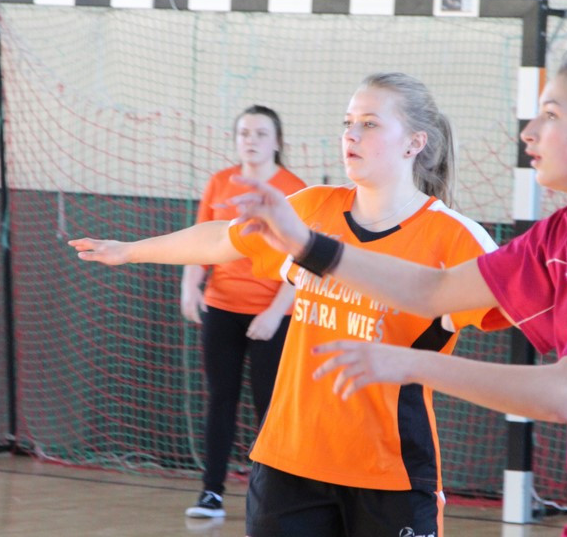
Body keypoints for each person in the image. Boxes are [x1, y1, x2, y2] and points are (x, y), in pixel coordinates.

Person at [230, 54, 567, 536]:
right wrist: (306, 244)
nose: (529, 131)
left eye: (551, 114)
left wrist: (409, 363)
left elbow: (563, 394)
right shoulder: (565, 232)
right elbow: (435, 288)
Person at [69, 72, 501, 536]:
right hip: (288, 465)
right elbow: (221, 239)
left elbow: (527, 314)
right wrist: (129, 250)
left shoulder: (456, 239)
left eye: (370, 123)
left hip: (390, 473)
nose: (351, 134)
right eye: (348, 122)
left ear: (414, 143)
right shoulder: (312, 208)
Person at [181, 105, 305, 519]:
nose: (250, 140)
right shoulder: (220, 182)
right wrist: (190, 284)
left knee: (270, 405)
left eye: (260, 133)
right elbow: (202, 240)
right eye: (244, 133)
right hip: (222, 308)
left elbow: (304, 259)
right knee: (221, 399)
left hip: (274, 316)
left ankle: (275, 495)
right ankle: (211, 493)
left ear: (277, 141)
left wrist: (274, 312)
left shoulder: (295, 190)